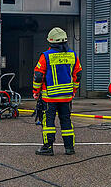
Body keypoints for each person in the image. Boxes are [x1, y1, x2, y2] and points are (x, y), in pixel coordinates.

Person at [32, 27, 81, 156]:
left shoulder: (46, 56)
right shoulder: (72, 55)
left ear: (51, 42)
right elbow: (78, 74)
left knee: (48, 122)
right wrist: (74, 90)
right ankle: (69, 148)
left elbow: (38, 76)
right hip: (66, 97)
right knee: (66, 120)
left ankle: (48, 147)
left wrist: (36, 91)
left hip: (50, 97)